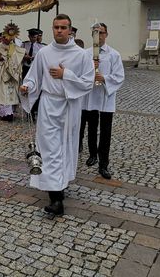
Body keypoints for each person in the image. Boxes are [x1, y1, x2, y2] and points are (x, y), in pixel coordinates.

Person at [20, 14, 94, 216]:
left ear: (70, 30)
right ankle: (56, 199)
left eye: (63, 27)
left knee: (66, 147)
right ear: (52, 29)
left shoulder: (81, 55)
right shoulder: (44, 53)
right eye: (56, 27)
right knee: (50, 149)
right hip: (49, 105)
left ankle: (60, 184)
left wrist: (66, 75)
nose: (59, 31)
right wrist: (27, 87)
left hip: (70, 106)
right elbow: (34, 77)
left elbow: (88, 82)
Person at [81, 23, 124, 180]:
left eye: (101, 33)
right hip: (91, 95)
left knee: (105, 131)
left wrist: (104, 78)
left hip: (106, 97)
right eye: (95, 33)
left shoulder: (114, 55)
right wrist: (91, 70)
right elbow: (79, 74)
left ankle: (103, 164)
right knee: (92, 127)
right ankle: (93, 154)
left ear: (106, 34)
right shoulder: (85, 54)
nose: (98, 36)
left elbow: (119, 76)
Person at [0, 23, 25, 121]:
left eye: (10, 37)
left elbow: (20, 54)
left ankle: (11, 111)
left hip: (12, 73)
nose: (8, 39)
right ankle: (5, 113)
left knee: (11, 92)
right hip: (3, 74)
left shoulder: (14, 46)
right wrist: (0, 57)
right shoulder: (0, 47)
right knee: (3, 93)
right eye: (6, 37)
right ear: (3, 37)